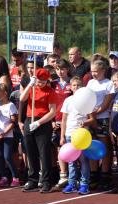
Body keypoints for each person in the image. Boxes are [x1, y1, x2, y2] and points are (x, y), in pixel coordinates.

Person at [20, 68, 56, 193]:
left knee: (44, 153)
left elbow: (52, 112)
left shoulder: (50, 91)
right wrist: (30, 85)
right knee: (31, 152)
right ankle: (32, 180)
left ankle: (46, 181)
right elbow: (22, 99)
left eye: (44, 81)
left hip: (43, 122)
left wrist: (39, 122)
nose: (41, 84)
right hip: (30, 120)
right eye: (39, 81)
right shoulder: (32, 89)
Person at [60, 76, 95, 195]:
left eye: (79, 85)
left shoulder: (87, 100)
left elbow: (92, 119)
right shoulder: (68, 100)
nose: (76, 87)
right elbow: (64, 119)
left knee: (84, 160)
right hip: (69, 134)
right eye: (74, 85)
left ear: (82, 87)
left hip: (81, 136)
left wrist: (85, 123)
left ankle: (84, 184)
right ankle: (72, 183)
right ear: (70, 87)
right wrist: (62, 136)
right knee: (71, 161)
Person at [86, 60, 114, 190]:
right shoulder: (90, 83)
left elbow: (106, 104)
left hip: (103, 118)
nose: (93, 74)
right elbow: (85, 99)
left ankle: (105, 175)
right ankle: (94, 175)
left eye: (96, 71)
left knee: (105, 147)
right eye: (92, 71)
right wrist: (90, 115)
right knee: (91, 146)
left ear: (103, 70)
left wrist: (95, 113)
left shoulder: (109, 84)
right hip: (90, 118)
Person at [51, 59, 72, 189]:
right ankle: (63, 175)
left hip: (71, 121)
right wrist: (53, 121)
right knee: (60, 148)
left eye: (62, 69)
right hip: (57, 121)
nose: (60, 72)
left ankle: (74, 175)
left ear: (67, 69)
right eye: (57, 69)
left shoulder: (72, 84)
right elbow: (50, 104)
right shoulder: (53, 84)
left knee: (72, 148)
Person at [0, 83, 20, 187]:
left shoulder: (11, 105)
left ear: (5, 93)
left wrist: (4, 132)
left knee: (7, 156)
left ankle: (15, 177)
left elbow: (13, 122)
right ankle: (4, 177)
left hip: (8, 136)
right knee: (0, 156)